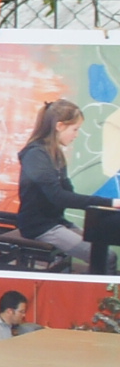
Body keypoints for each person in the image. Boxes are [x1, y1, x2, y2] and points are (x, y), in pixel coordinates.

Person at [14, 97, 113, 275]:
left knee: (106, 252)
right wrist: (110, 202)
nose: (76, 135)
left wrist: (102, 205)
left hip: (57, 222)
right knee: (105, 258)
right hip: (40, 227)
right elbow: (58, 197)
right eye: (75, 129)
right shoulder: (35, 155)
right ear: (59, 126)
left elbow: (69, 194)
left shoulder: (56, 154)